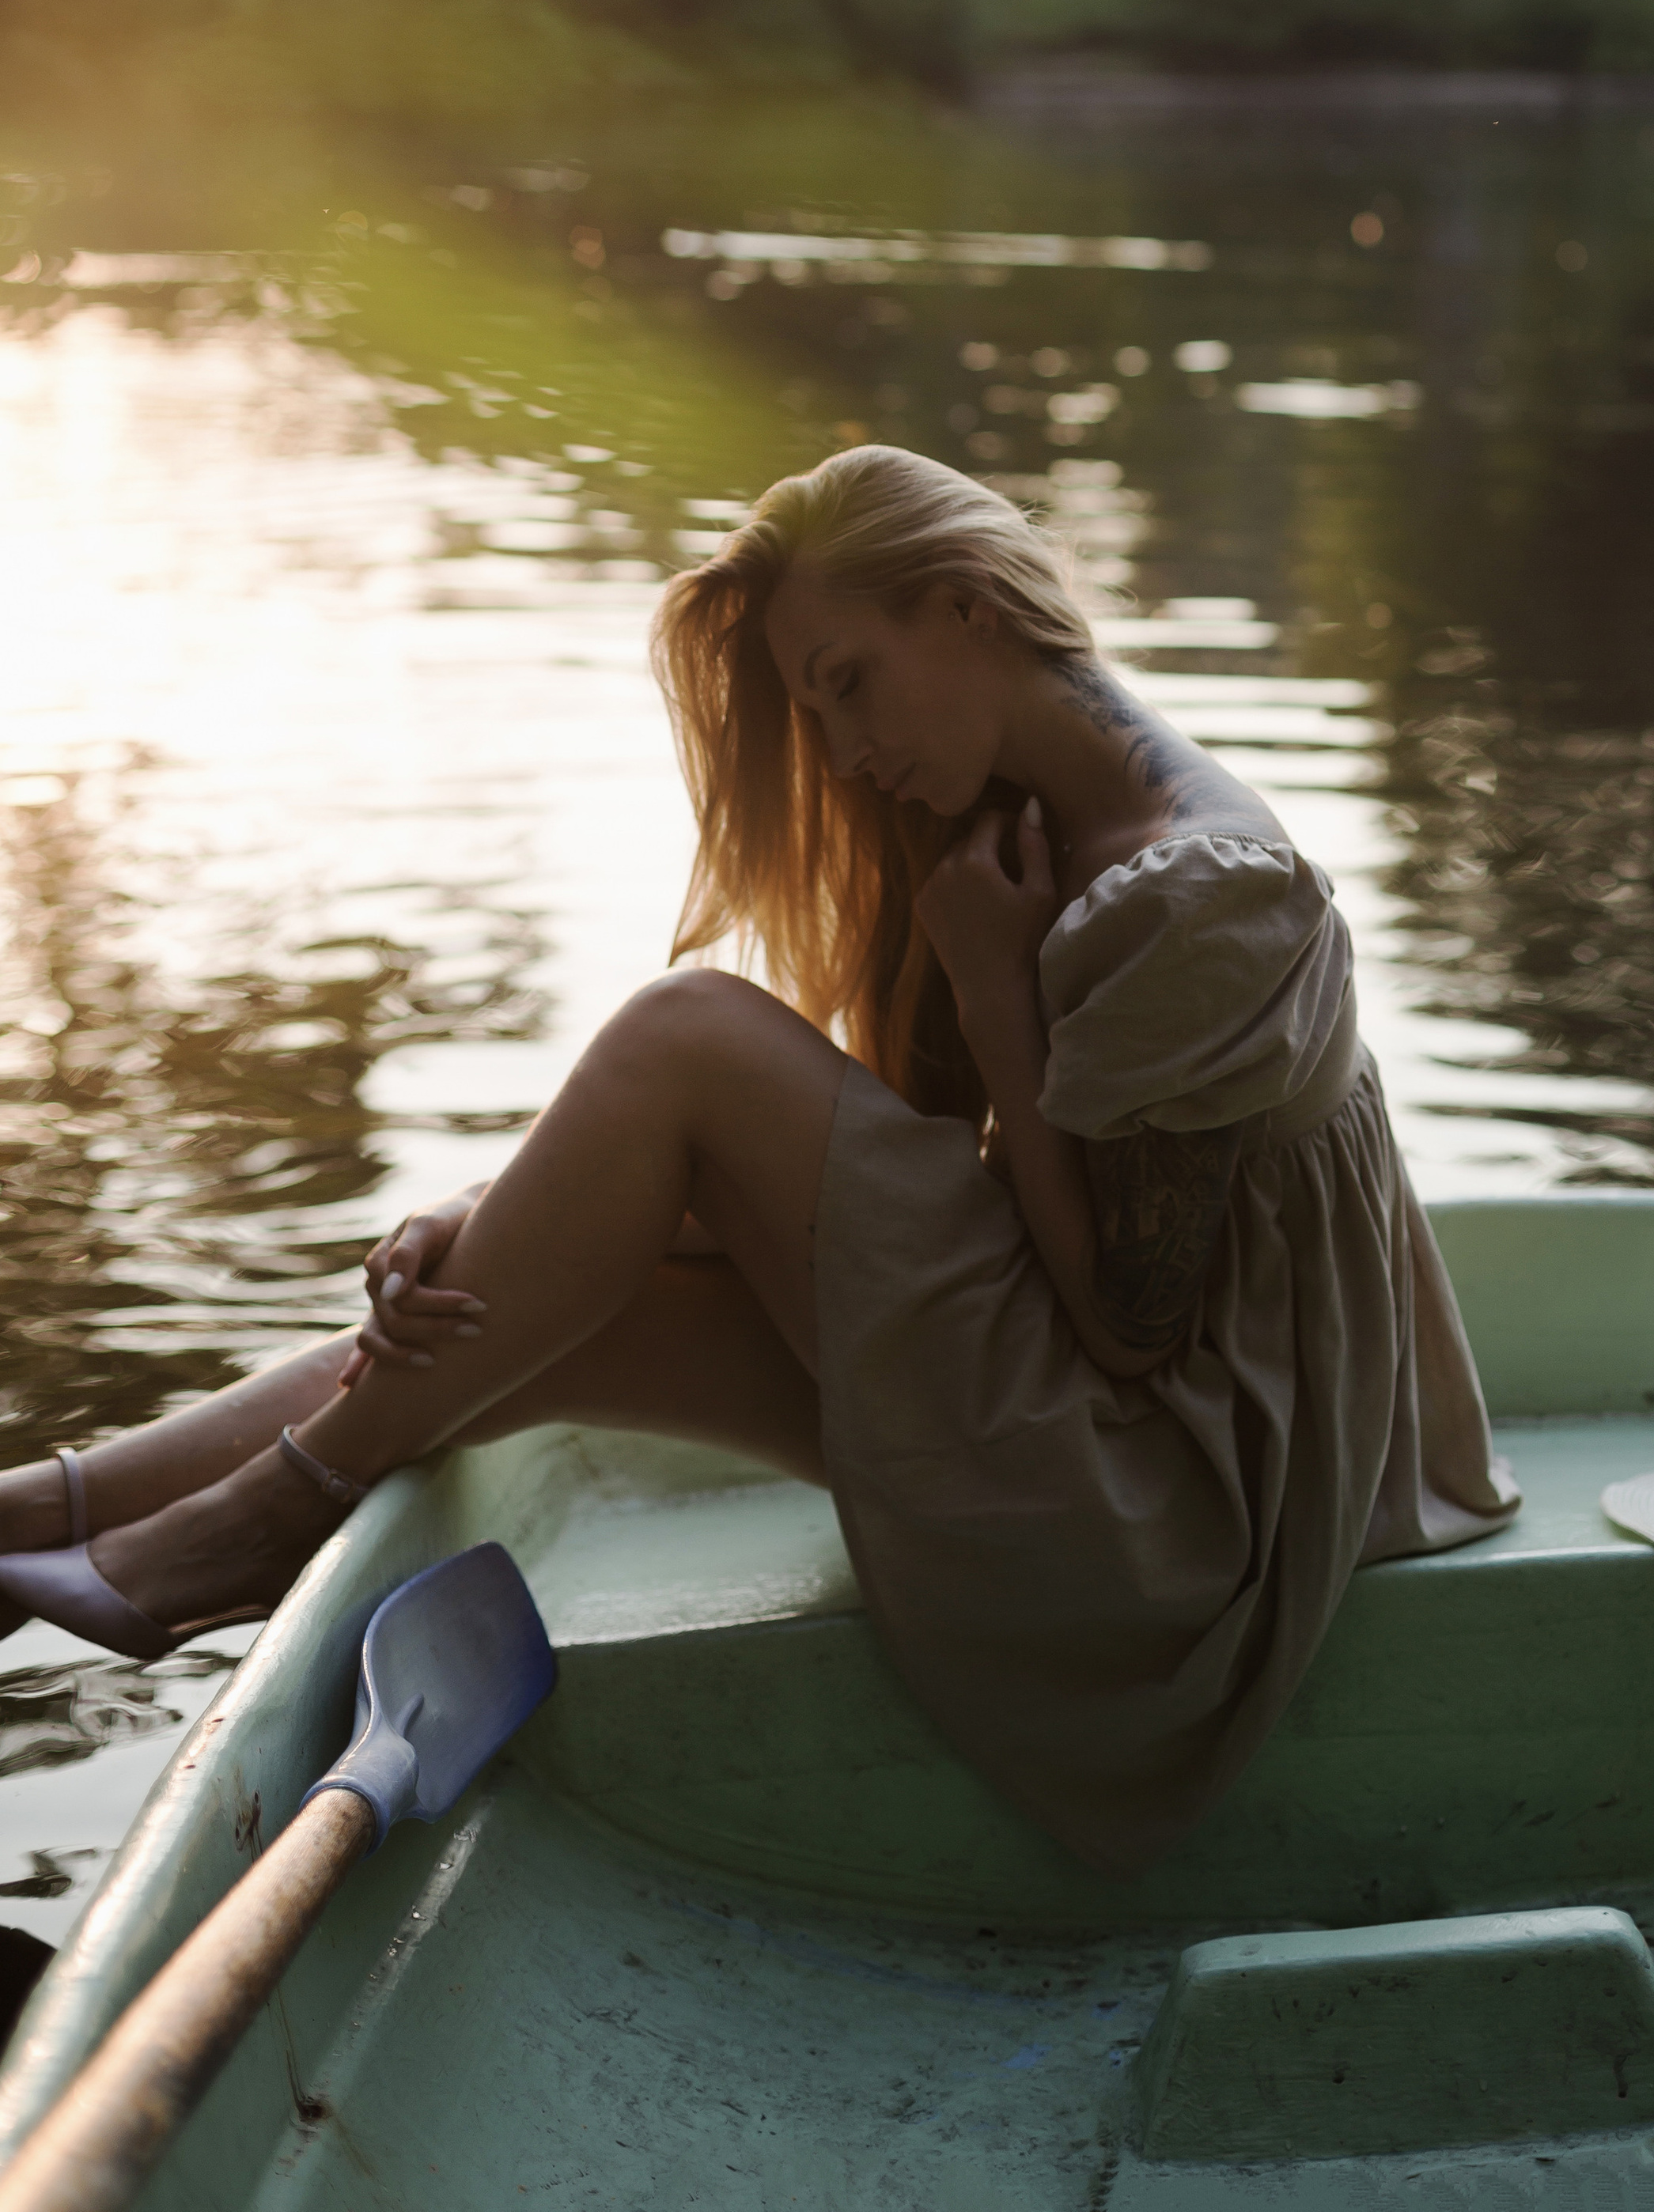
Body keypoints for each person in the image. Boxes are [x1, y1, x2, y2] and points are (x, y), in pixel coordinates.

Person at [0, 447, 1517, 1873]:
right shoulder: (1049, 830)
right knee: (529, 1312)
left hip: (1168, 1536)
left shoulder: (1190, 894)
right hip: (1102, 1431)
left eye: (851, 683)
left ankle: (255, 1518)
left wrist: (994, 995)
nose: (848, 748)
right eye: (820, 712)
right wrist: (505, 1216)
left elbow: (1131, 1325)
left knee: (684, 1034)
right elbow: (912, 1185)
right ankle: (51, 1512)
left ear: (968, 607)